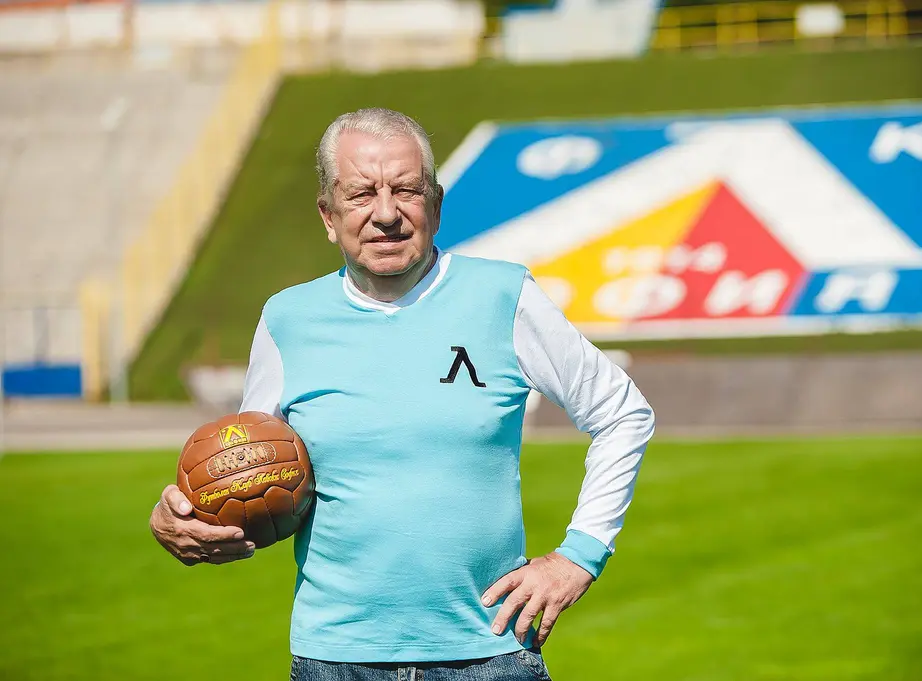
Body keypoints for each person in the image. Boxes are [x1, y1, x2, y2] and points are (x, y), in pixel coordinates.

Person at [150, 108, 655, 680]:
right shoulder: (287, 319)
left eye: (406, 190)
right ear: (328, 215)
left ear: (435, 205)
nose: (386, 214)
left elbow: (623, 413)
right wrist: (179, 518)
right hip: (335, 660)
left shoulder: (503, 296)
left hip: (489, 653)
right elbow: (252, 471)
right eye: (361, 194)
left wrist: (578, 557)